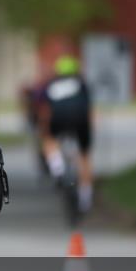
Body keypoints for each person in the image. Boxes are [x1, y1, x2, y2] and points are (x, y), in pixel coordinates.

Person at [36, 55, 94, 213]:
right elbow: (89, 109)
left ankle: (58, 170)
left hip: (58, 118)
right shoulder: (82, 84)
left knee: (49, 141)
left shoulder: (50, 86)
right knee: (84, 156)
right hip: (80, 120)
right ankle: (86, 197)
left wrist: (44, 129)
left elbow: (45, 110)